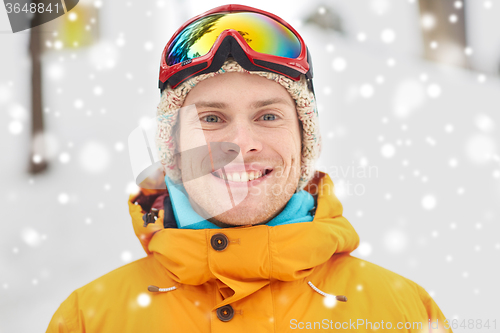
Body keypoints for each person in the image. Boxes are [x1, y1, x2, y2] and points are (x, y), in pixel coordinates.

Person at [46, 4, 453, 332]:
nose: (241, 143)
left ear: (303, 139)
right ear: (172, 146)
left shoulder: (402, 314)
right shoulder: (90, 320)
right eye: (211, 119)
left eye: (268, 117)